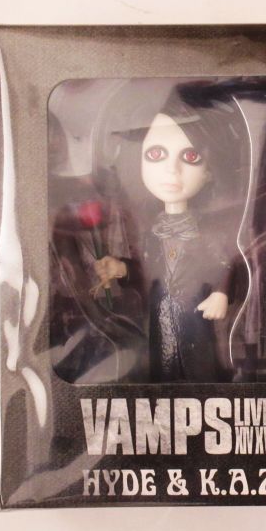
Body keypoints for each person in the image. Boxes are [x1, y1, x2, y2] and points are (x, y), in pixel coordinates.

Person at [94, 83, 249, 382]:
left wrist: (221, 293)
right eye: (156, 154)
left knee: (200, 366)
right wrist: (121, 268)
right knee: (164, 369)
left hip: (195, 313)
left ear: (210, 170)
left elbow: (226, 260)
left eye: (190, 157)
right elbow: (148, 271)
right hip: (161, 317)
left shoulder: (205, 230)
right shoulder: (153, 233)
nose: (171, 170)